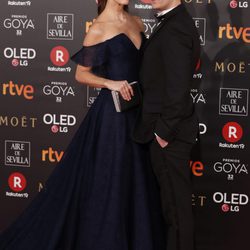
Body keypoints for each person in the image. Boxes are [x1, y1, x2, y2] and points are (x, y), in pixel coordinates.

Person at [0, 0, 166, 249]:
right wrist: (110, 83)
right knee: (115, 178)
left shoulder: (138, 22)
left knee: (138, 178)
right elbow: (81, 74)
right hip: (114, 116)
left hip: (138, 112)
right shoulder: (98, 28)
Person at [133, 1, 201, 250]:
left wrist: (163, 131)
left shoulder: (176, 29)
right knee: (171, 209)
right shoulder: (172, 22)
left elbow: (178, 89)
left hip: (169, 136)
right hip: (166, 131)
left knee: (177, 213)